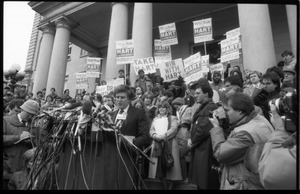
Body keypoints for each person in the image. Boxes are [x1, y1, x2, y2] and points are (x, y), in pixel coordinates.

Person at [208, 93, 274, 190]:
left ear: (240, 111)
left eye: (227, 110)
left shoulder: (244, 134)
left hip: (245, 183)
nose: (224, 114)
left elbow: (220, 154)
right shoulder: (259, 119)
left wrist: (216, 128)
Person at [187, 83, 220, 190]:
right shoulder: (203, 107)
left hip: (205, 149)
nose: (194, 95)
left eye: (198, 93)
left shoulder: (211, 107)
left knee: (206, 182)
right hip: (200, 148)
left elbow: (203, 129)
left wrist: (192, 141)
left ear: (206, 94)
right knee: (201, 182)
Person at [3, 99, 40, 190]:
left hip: (24, 170)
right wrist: (19, 137)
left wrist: (32, 141)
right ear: (23, 109)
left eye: (33, 115)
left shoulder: (34, 126)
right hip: (8, 167)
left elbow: (39, 145)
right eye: (29, 113)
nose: (30, 116)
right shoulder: (6, 120)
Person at [148, 101, 182, 190]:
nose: (161, 109)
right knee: (159, 169)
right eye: (160, 107)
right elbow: (151, 130)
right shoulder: (155, 119)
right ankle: (165, 187)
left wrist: (163, 136)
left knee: (171, 168)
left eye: (164, 107)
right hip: (157, 145)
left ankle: (169, 188)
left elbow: (174, 129)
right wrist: (155, 135)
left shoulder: (173, 118)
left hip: (169, 145)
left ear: (168, 109)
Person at [171, 97, 192, 183]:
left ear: (180, 104)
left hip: (187, 136)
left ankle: (185, 177)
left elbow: (189, 121)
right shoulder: (178, 112)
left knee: (181, 155)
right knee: (182, 156)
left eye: (177, 107)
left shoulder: (188, 109)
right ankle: (184, 177)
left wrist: (178, 124)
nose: (177, 109)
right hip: (181, 136)